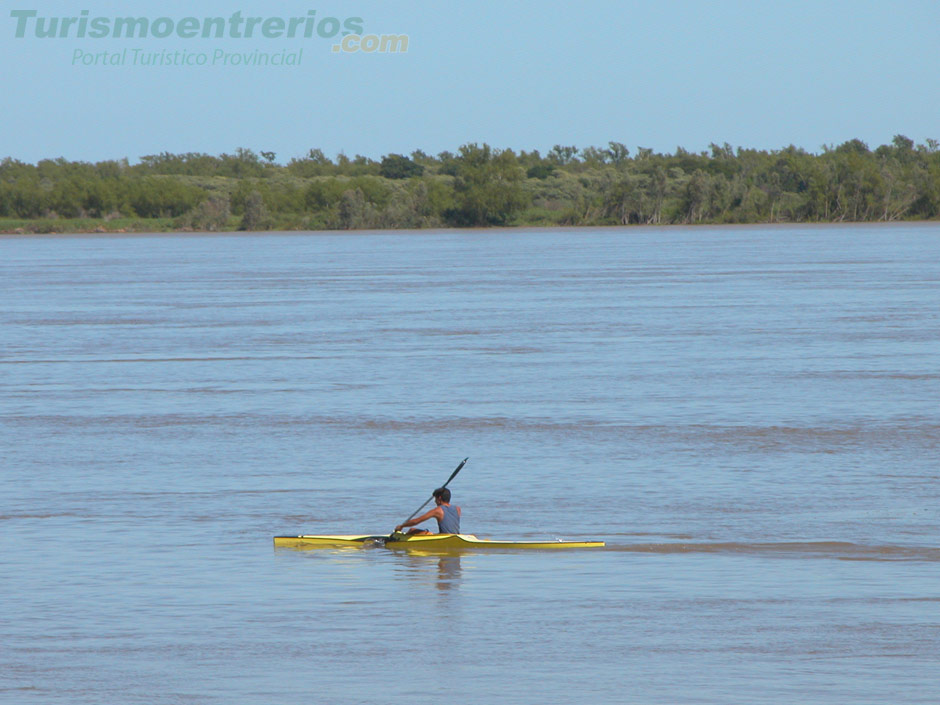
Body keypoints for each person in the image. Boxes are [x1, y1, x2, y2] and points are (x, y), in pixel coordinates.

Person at [394, 487, 461, 535]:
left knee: (412, 530)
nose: (435, 501)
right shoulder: (458, 509)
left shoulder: (438, 510)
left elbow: (416, 521)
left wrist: (402, 526)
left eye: (435, 499)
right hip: (456, 535)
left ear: (439, 498)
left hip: (444, 537)